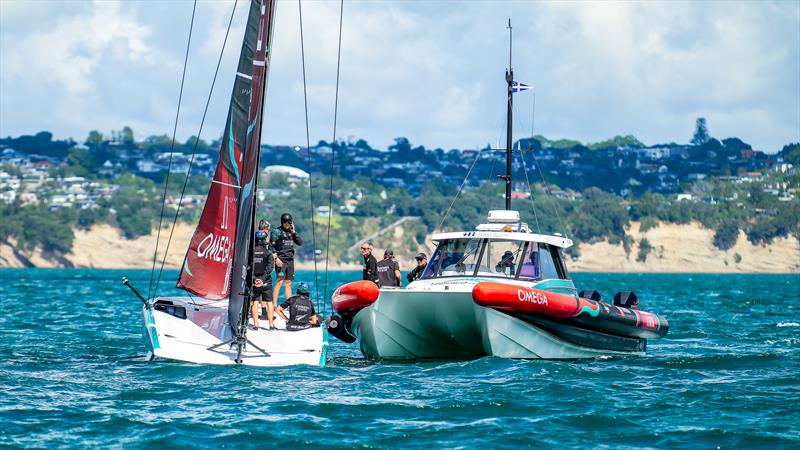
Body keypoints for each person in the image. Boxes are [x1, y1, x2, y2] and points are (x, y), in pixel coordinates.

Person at [271, 213, 302, 305]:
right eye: (286, 223)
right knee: (279, 282)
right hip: (281, 260)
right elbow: (271, 247)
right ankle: (274, 304)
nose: (288, 225)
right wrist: (276, 259)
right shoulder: (277, 231)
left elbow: (300, 243)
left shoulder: (291, 232)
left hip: (290, 260)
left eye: (289, 223)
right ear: (282, 222)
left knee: (289, 283)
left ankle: (290, 305)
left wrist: (294, 232)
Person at [250, 228, 275, 330]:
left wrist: (255, 279)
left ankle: (256, 325)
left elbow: (249, 267)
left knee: (255, 303)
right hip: (266, 282)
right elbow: (270, 268)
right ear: (264, 240)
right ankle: (271, 325)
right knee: (269, 303)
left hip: (254, 282)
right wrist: (263, 280)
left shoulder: (250, 252)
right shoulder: (268, 253)